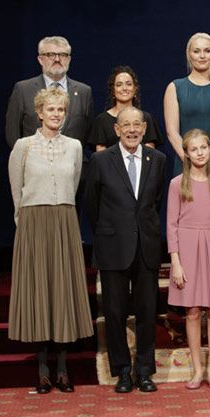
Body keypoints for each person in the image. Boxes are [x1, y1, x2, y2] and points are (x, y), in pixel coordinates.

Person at [7, 87, 94, 394]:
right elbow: (17, 190)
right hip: (34, 223)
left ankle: (63, 370)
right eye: (51, 110)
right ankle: (43, 371)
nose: (56, 114)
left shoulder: (74, 147)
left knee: (62, 292)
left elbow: (74, 183)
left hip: (64, 222)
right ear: (39, 113)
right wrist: (25, 226)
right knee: (39, 292)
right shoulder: (23, 146)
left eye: (61, 110)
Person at [83, 107, 167, 393]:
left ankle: (144, 370)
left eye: (136, 125)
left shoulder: (157, 159)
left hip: (146, 246)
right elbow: (91, 204)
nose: (131, 130)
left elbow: (155, 201)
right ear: (116, 130)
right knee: (115, 313)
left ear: (144, 129)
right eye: (125, 125)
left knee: (146, 311)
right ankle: (122, 372)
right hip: (112, 246)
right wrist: (109, 230)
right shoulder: (100, 160)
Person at [167, 129, 210, 390]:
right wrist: (176, 262)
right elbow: (171, 225)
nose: (199, 153)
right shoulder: (177, 184)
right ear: (186, 153)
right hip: (187, 248)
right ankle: (196, 370)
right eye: (194, 149)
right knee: (192, 311)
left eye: (203, 148)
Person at [164, 32, 210, 176]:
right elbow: (172, 132)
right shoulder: (175, 87)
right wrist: (189, 162)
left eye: (207, 51)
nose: (202, 56)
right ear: (189, 54)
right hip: (186, 166)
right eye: (196, 51)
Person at [6, 36, 93, 149]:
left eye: (62, 55)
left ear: (69, 59)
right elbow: (12, 134)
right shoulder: (23, 89)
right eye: (51, 55)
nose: (57, 59)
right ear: (40, 59)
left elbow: (87, 132)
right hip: (34, 163)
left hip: (72, 163)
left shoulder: (84, 92)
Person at [89, 65, 163, 151]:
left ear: (135, 89)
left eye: (129, 84)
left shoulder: (146, 118)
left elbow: (150, 153)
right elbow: (101, 156)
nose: (124, 88)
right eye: (119, 85)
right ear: (113, 90)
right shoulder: (102, 120)